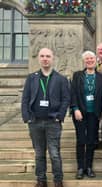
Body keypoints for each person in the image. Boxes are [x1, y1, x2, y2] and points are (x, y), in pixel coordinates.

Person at [21, 48, 70, 187]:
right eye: (42, 56)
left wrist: (60, 116)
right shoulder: (31, 78)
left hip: (52, 122)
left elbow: (66, 99)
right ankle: (41, 180)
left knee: (54, 153)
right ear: (39, 58)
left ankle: (58, 180)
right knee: (39, 154)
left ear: (53, 58)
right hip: (35, 121)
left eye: (48, 56)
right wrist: (27, 117)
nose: (45, 58)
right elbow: (25, 99)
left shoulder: (61, 79)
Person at [70, 51, 102, 179]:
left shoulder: (101, 77)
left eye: (91, 58)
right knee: (81, 140)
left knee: (91, 141)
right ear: (84, 61)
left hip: (94, 113)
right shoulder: (77, 75)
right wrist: (75, 108)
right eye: (87, 59)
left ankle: (89, 167)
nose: (89, 60)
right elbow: (72, 93)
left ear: (95, 60)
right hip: (80, 113)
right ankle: (80, 168)